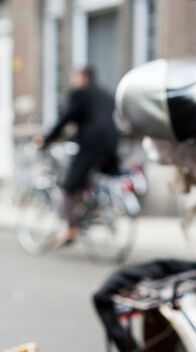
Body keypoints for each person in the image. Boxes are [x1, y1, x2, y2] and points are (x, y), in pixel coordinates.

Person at [35, 66, 120, 245]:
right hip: (112, 143)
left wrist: (47, 139)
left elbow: (66, 118)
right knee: (88, 180)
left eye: (75, 77)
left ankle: (71, 228)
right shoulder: (106, 95)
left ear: (83, 78)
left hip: (92, 144)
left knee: (68, 187)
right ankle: (93, 209)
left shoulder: (80, 94)